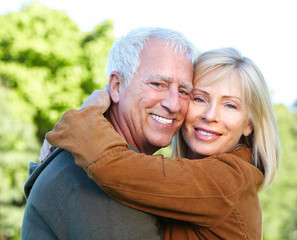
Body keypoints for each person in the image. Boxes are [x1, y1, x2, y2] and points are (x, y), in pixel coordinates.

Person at [46, 47, 281, 239]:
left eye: (230, 105)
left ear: (249, 124)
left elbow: (112, 167)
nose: (211, 115)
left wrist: (86, 114)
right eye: (199, 98)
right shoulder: (195, 175)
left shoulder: (225, 180)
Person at [21, 27, 196, 240]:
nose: (174, 104)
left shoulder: (114, 165)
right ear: (116, 86)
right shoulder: (96, 179)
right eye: (158, 84)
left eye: (183, 91)